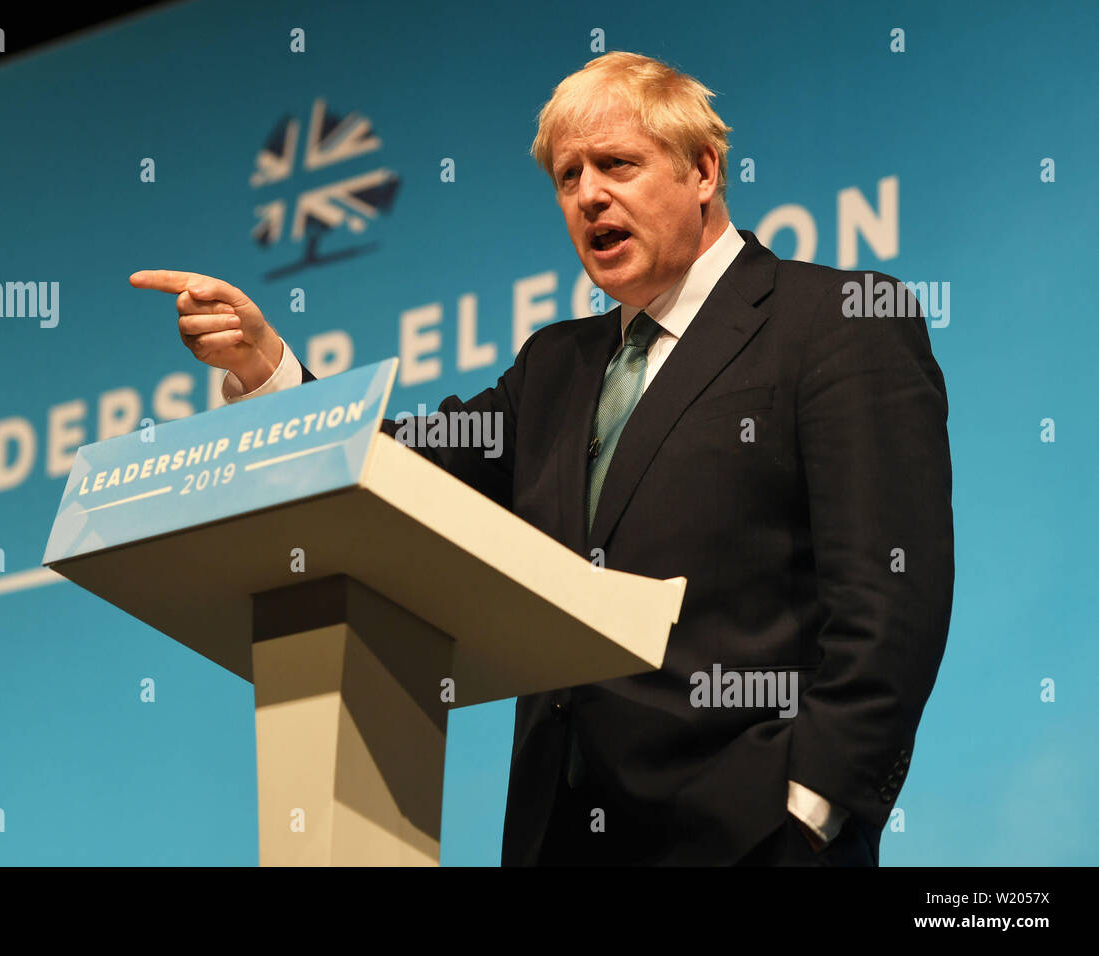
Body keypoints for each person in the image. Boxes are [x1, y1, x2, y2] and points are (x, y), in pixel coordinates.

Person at [129, 51, 954, 866]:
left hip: (750, 835)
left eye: (617, 164)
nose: (589, 194)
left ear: (704, 170)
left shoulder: (834, 322)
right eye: (568, 177)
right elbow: (409, 471)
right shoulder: (556, 365)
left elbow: (892, 598)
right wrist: (269, 370)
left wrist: (813, 810)